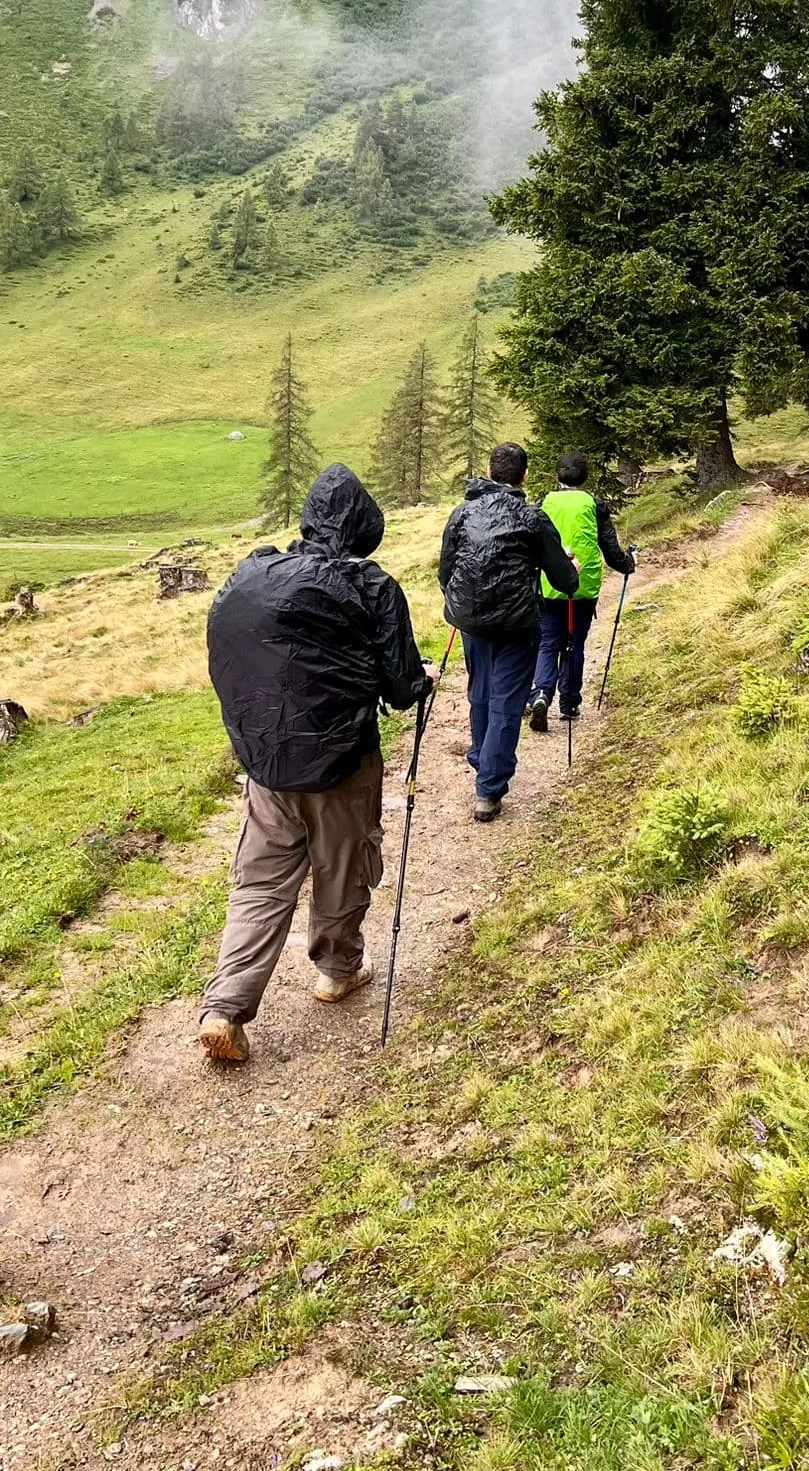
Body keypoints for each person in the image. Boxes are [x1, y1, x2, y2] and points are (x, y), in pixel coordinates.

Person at [198, 463, 433, 1066]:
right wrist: (422, 678)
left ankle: (226, 1005)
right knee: (344, 868)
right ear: (363, 526)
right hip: (342, 764)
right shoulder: (371, 586)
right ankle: (336, 972)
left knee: (259, 884)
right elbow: (403, 685)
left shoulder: (250, 576)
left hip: (267, 766)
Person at [439, 442, 578, 821]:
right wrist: (573, 569)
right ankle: (488, 787)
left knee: (480, 691)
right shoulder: (532, 518)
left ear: (489, 471)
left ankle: (481, 757)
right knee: (505, 701)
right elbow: (563, 580)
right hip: (517, 624)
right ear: (524, 475)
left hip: (471, 622)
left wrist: (461, 605)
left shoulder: (462, 513)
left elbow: (445, 572)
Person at [527, 450, 636, 733]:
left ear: (557, 475)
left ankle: (541, 693)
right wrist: (628, 565)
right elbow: (611, 550)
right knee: (575, 644)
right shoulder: (594, 504)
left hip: (550, 586)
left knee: (548, 643)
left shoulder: (544, 503)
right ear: (585, 477)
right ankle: (570, 702)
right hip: (584, 588)